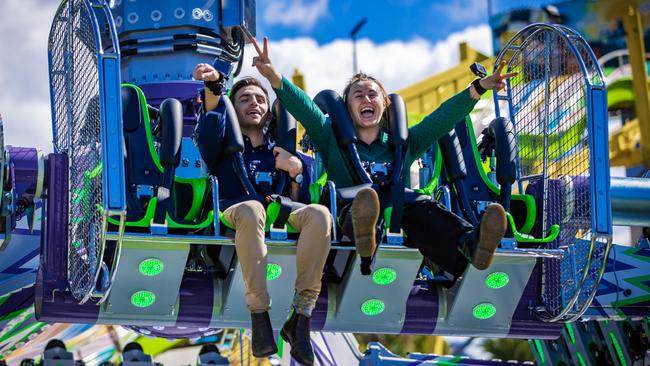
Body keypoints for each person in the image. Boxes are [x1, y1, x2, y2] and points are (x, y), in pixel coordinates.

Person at [247, 36, 516, 280]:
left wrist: (477, 88)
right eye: (359, 94)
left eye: (373, 94)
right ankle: (366, 234)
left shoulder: (402, 143)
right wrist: (273, 76)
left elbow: (441, 118)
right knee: (363, 205)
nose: (367, 98)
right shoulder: (330, 137)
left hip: (400, 213)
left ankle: (472, 244)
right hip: (350, 213)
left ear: (384, 106)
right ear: (347, 108)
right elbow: (304, 107)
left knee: (425, 208)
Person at [193, 63, 332, 366]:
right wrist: (215, 85)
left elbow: (301, 202)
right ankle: (259, 313)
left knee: (320, 214)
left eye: (259, 99)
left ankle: (302, 314)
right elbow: (212, 117)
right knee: (253, 208)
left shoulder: (284, 153)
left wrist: (295, 172)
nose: (253, 103)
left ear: (269, 112)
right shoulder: (222, 143)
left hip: (277, 214)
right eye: (244, 99)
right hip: (234, 212)